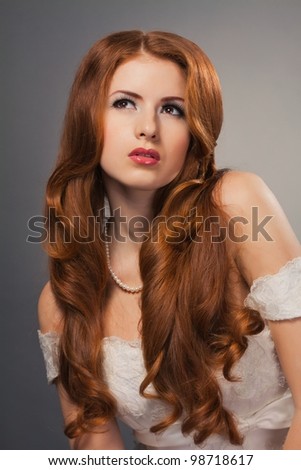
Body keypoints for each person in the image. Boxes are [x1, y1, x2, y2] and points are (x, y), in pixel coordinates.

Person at [37, 30, 301, 450]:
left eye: (173, 109)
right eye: (124, 103)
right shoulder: (62, 301)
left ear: (194, 132)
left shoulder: (236, 205)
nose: (148, 128)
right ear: (88, 118)